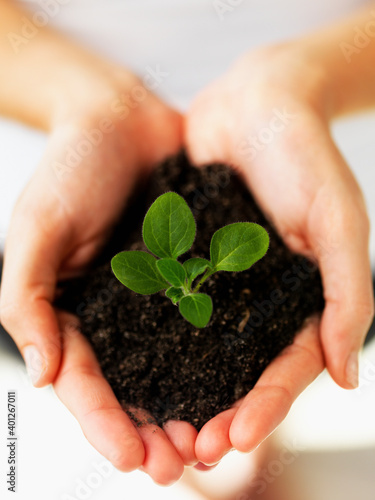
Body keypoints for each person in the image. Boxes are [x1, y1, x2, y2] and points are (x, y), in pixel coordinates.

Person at [0, 0, 374, 487]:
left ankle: (253, 447)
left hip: (311, 164)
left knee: (308, 327)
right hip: (49, 155)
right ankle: (215, 464)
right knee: (56, 327)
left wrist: (308, 79)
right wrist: (80, 98)